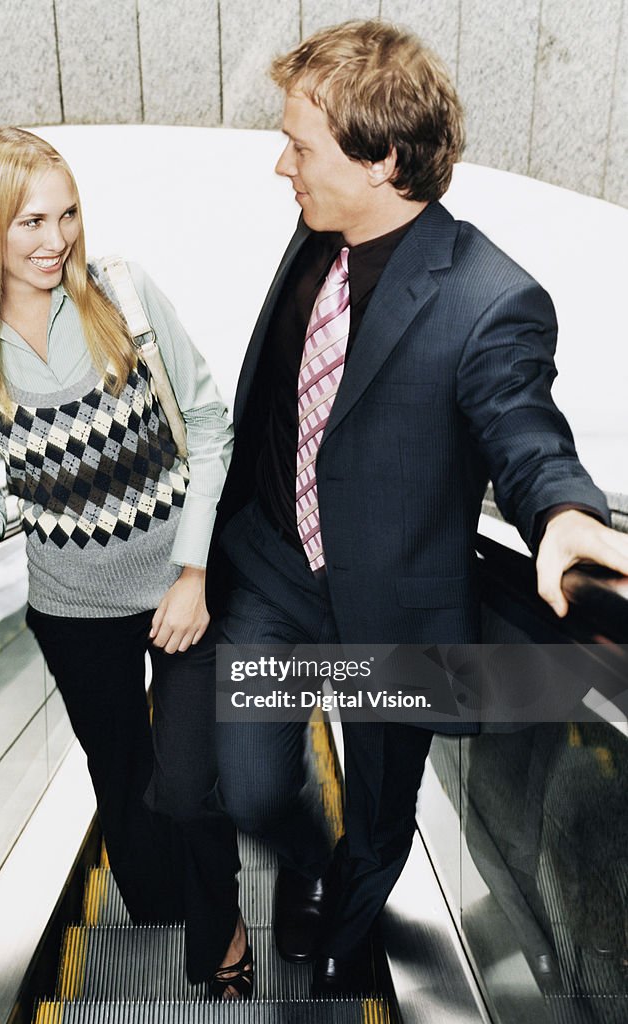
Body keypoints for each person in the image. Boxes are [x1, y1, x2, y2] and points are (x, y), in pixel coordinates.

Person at [207, 19, 628, 997]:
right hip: (272, 568)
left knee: (381, 814)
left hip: (391, 613)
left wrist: (562, 514)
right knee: (252, 783)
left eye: (298, 146)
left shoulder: (488, 299)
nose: (280, 166)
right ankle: (306, 869)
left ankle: (343, 931)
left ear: (382, 159)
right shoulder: (319, 228)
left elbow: (521, 426)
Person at [0, 127, 252, 998]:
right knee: (121, 776)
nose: (57, 240)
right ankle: (159, 904)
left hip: (183, 586)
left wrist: (192, 572)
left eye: (67, 213)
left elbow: (213, 426)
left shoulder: (123, 295)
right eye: (30, 222)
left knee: (190, 782)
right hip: (73, 608)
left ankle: (221, 925)